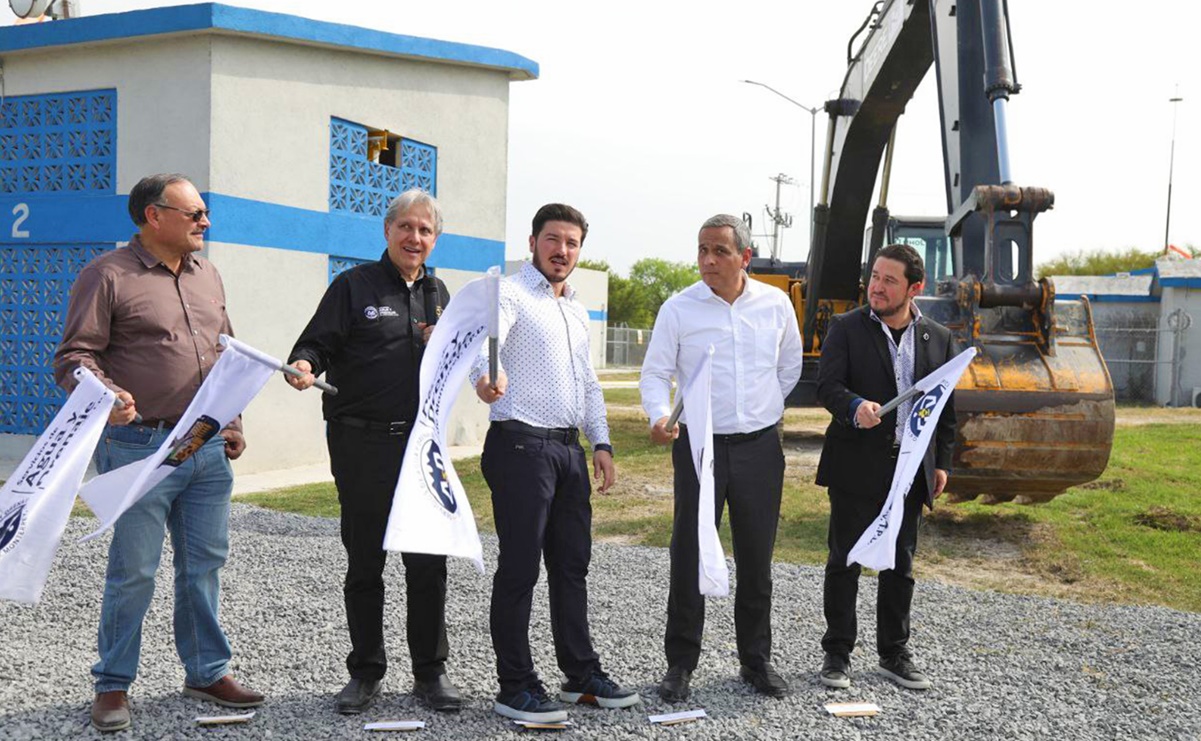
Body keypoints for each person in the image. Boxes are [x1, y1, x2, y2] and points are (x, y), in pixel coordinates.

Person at [54, 173, 262, 733]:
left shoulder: (208, 274)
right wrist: (106, 396)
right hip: (139, 448)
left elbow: (229, 355)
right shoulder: (107, 276)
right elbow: (74, 358)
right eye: (195, 213)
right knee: (133, 571)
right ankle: (113, 684)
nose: (205, 222)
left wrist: (234, 421)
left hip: (207, 446)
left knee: (204, 567)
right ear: (154, 215)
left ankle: (205, 671)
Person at [285, 189, 461, 714]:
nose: (415, 238)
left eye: (425, 230)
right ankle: (365, 672)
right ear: (387, 232)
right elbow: (316, 343)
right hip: (361, 443)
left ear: (435, 239)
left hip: (420, 445)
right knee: (366, 561)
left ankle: (430, 674)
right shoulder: (354, 285)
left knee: (428, 563)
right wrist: (305, 365)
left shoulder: (439, 292)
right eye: (406, 227)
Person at [472, 203, 639, 723]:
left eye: (571, 242)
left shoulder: (574, 309)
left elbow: (588, 383)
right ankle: (515, 685)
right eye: (552, 239)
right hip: (521, 446)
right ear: (532, 242)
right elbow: (486, 345)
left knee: (571, 568)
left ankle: (580, 674)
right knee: (520, 568)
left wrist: (603, 444)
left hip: (569, 451)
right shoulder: (510, 292)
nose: (561, 250)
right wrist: (486, 376)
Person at [639, 214, 803, 702]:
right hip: (698, 449)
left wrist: (763, 406)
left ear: (744, 257)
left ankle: (755, 661)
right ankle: (680, 665)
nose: (708, 260)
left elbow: (789, 366)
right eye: (702, 250)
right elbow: (655, 373)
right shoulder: (679, 308)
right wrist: (658, 414)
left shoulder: (775, 305)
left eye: (720, 251)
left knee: (757, 558)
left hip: (759, 449)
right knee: (688, 554)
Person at [815, 242, 957, 691]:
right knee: (846, 561)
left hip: (911, 470)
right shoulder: (846, 328)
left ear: (915, 288)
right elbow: (827, 386)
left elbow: (946, 408)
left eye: (889, 280)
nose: (876, 286)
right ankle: (837, 654)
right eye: (874, 276)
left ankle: (893, 654)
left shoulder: (940, 337)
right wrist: (854, 407)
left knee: (901, 564)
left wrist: (942, 462)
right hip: (855, 465)